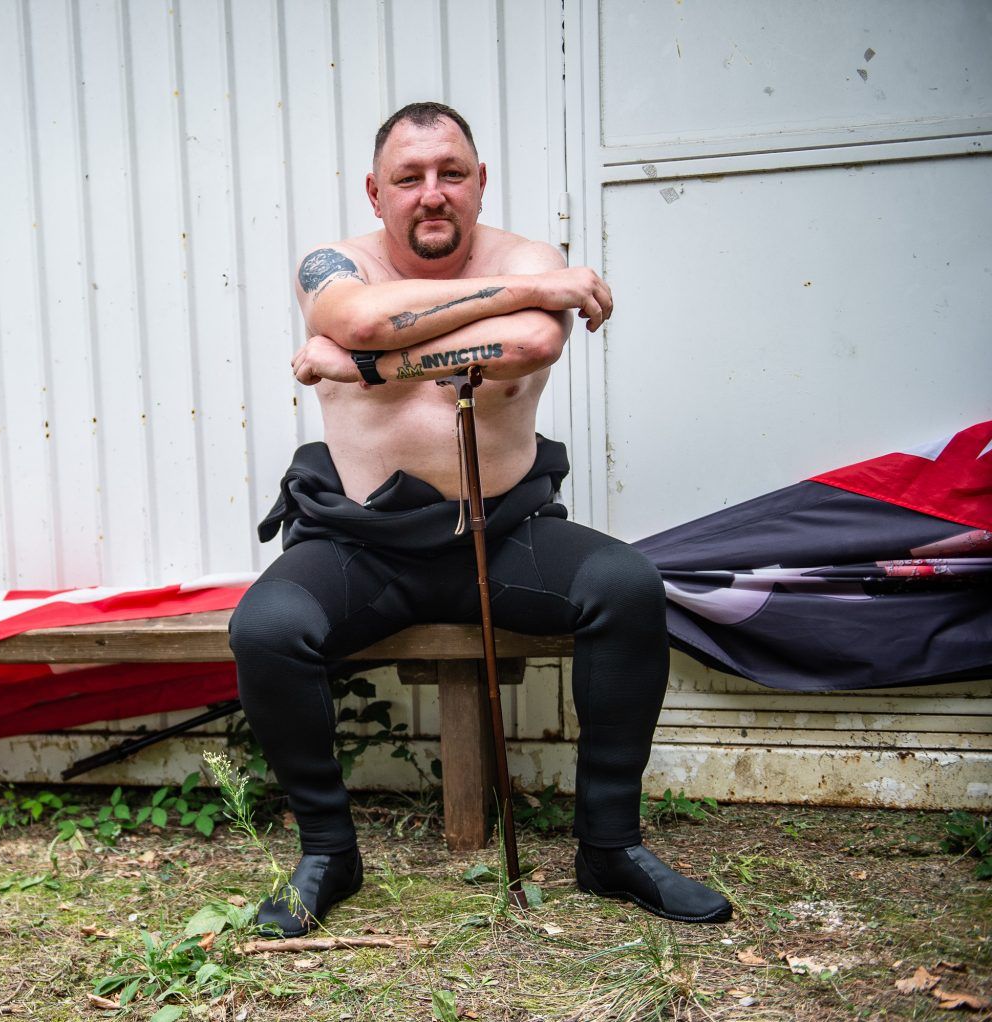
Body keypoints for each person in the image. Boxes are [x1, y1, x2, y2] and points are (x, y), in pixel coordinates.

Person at [229, 101, 731, 935]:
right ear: (376, 191)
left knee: (627, 586)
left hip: (502, 532)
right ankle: (328, 854)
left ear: (480, 180)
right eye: (409, 177)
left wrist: (367, 367)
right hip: (363, 541)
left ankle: (611, 847)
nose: (432, 193)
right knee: (265, 629)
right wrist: (521, 298)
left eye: (451, 173)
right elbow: (359, 318)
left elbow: (530, 345)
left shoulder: (528, 254)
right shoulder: (335, 264)